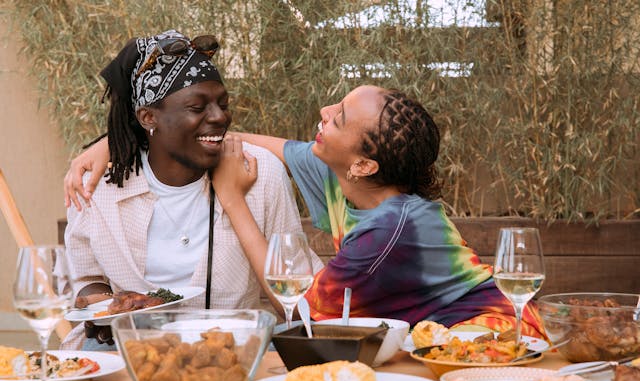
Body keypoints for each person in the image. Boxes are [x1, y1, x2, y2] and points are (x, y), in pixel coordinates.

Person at [65, 85, 545, 338]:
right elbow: (234, 139)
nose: (324, 110)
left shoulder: (391, 230)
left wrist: (232, 199)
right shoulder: (342, 176)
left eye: (337, 118)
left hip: (495, 339)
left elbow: (306, 308)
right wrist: (120, 141)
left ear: (363, 162)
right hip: (434, 345)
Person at [61, 29, 318, 350]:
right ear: (148, 116)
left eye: (223, 104)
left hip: (240, 349)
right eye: (198, 108)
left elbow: (297, 300)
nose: (220, 116)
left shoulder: (260, 171)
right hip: (132, 349)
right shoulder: (97, 184)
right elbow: (88, 280)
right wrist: (102, 308)